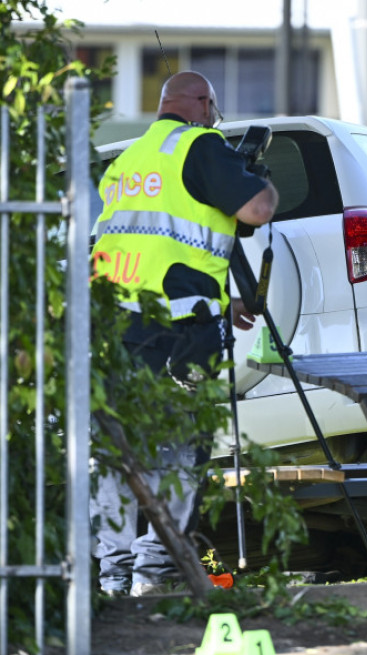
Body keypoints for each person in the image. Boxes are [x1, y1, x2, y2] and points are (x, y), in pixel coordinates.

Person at [90, 71, 279, 597]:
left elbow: (154, 249)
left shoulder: (125, 163)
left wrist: (228, 300)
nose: (215, 120)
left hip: (115, 329)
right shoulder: (201, 145)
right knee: (179, 454)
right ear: (201, 103)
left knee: (115, 453)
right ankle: (155, 573)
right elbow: (256, 210)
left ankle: (112, 577)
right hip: (180, 333)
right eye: (213, 111)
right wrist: (259, 176)